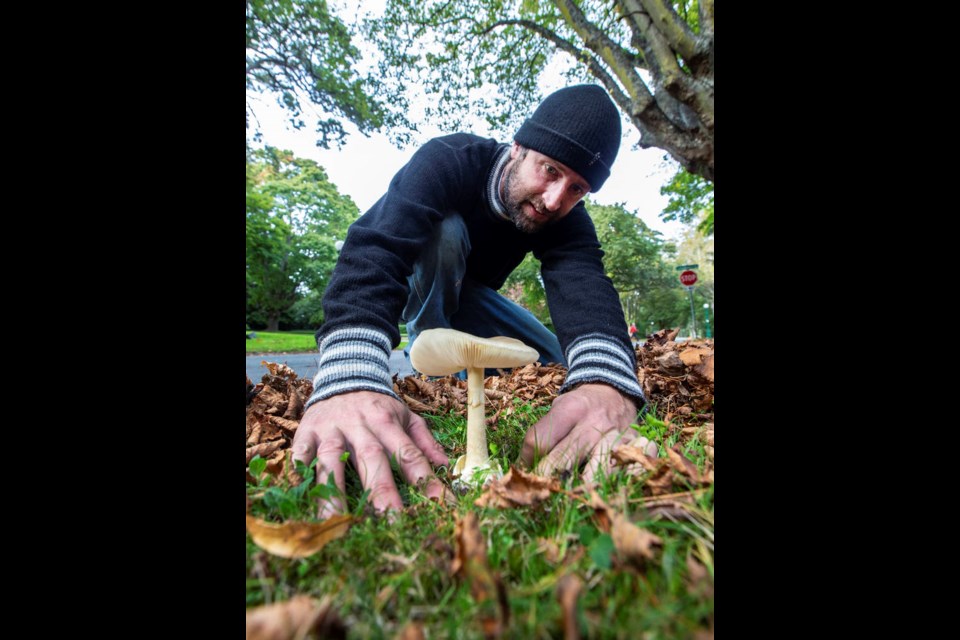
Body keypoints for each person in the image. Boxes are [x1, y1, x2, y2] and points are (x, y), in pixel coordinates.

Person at [292, 84, 655, 516]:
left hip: (474, 298)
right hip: (425, 282)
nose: (555, 199)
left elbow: (582, 279)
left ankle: (482, 375)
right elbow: (379, 246)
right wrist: (349, 372)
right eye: (550, 171)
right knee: (445, 234)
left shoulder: (566, 214)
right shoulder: (449, 159)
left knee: (556, 361)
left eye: (577, 189)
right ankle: (432, 376)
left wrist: (606, 381)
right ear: (519, 147)